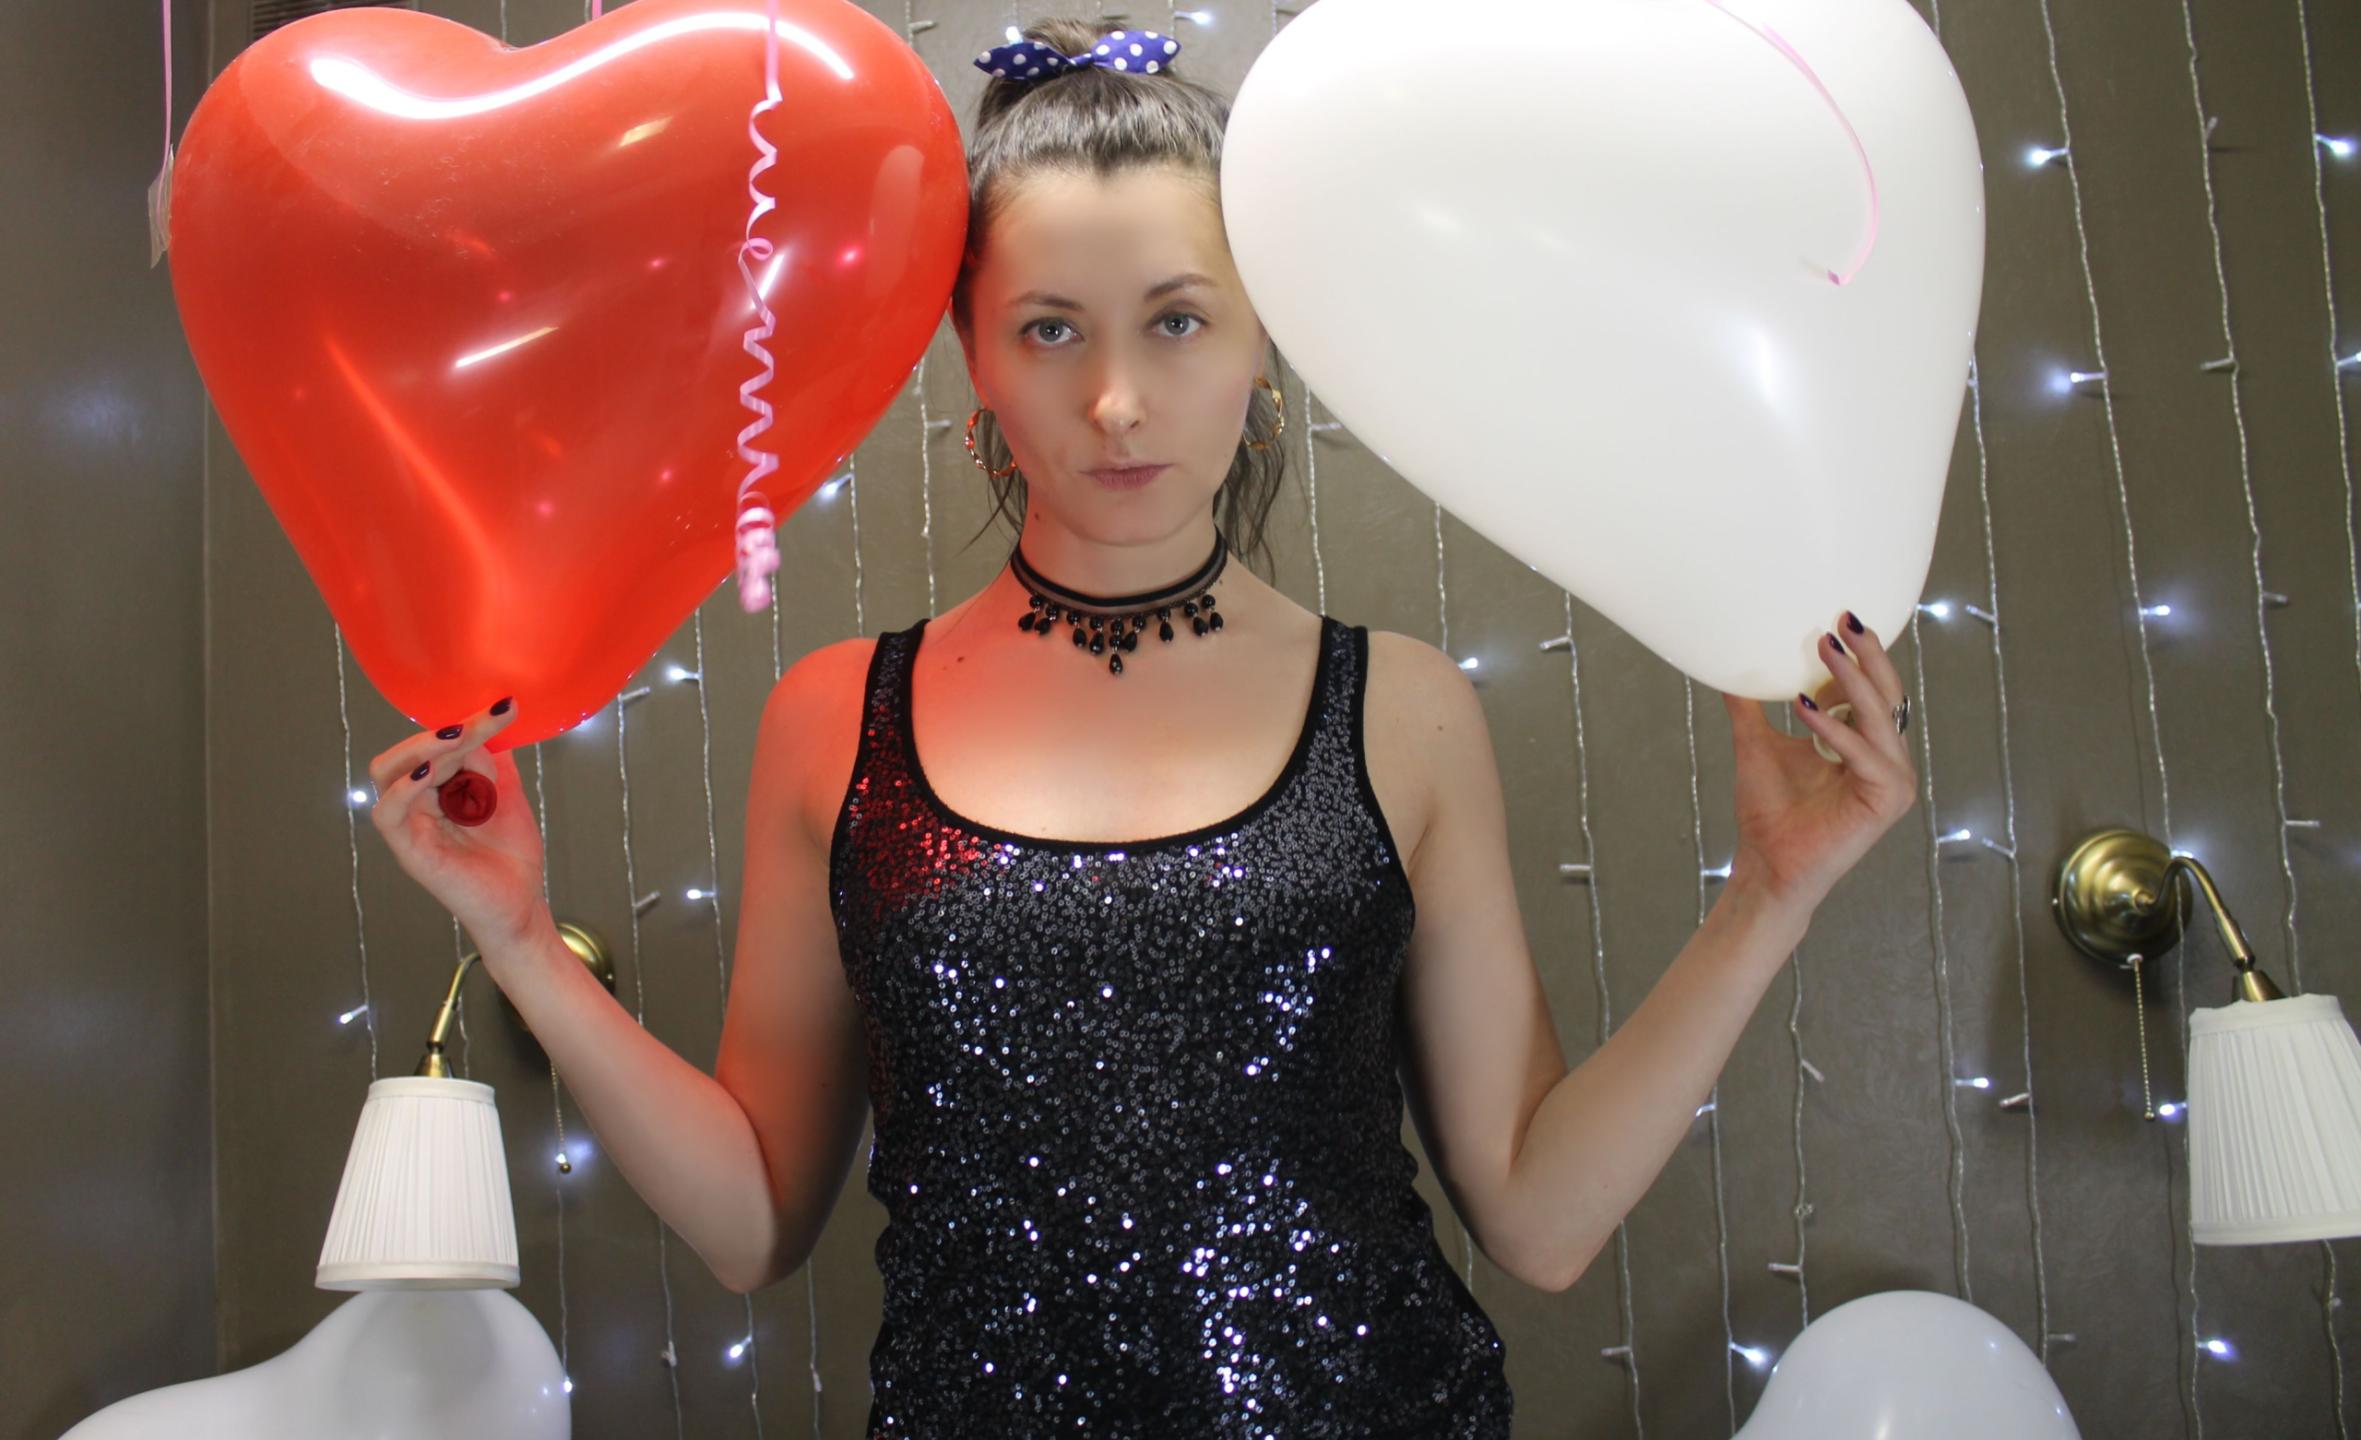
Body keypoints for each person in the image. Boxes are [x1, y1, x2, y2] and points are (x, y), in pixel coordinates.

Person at [365, 15, 1920, 1436]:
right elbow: (752, 1222)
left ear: (1259, 342)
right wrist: (519, 942)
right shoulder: (834, 716)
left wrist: (1768, 895)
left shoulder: (1403, 710)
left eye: (1176, 322)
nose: (1115, 399)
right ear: (970, 354)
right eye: (1051, 330)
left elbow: (1538, 1218)